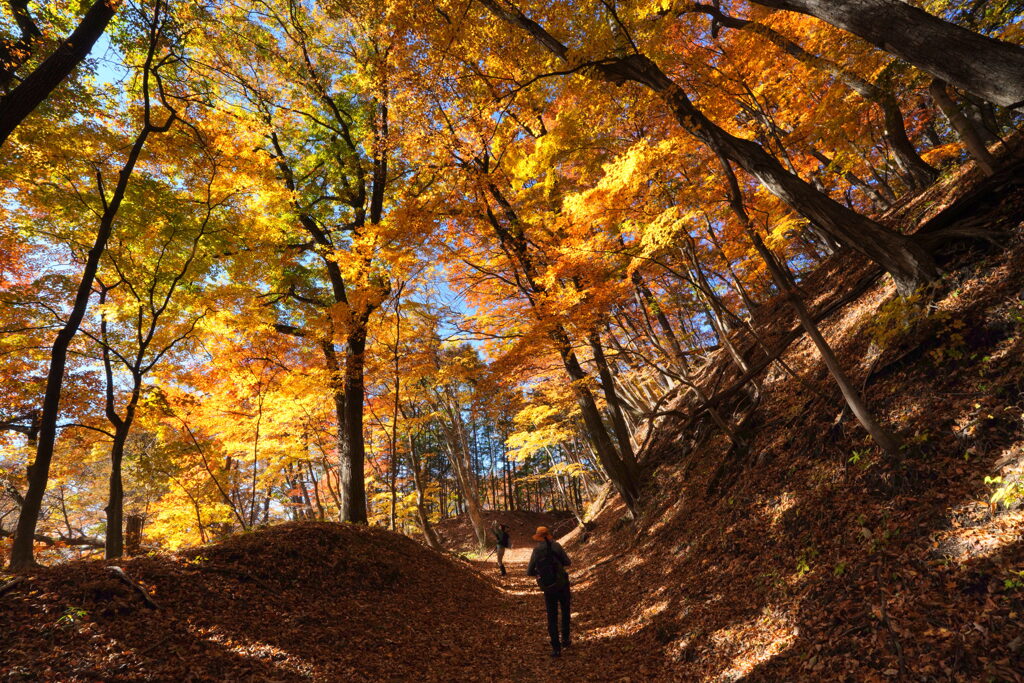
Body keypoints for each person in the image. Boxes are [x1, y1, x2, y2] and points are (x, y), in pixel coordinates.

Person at [526, 526, 572, 657]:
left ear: (538, 537)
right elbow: (567, 562)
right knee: (565, 611)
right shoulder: (556, 546)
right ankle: (565, 639)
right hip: (562, 584)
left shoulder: (536, 550)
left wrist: (541, 573)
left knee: (552, 616)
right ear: (548, 535)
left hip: (548, 587)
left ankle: (556, 648)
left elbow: (529, 571)